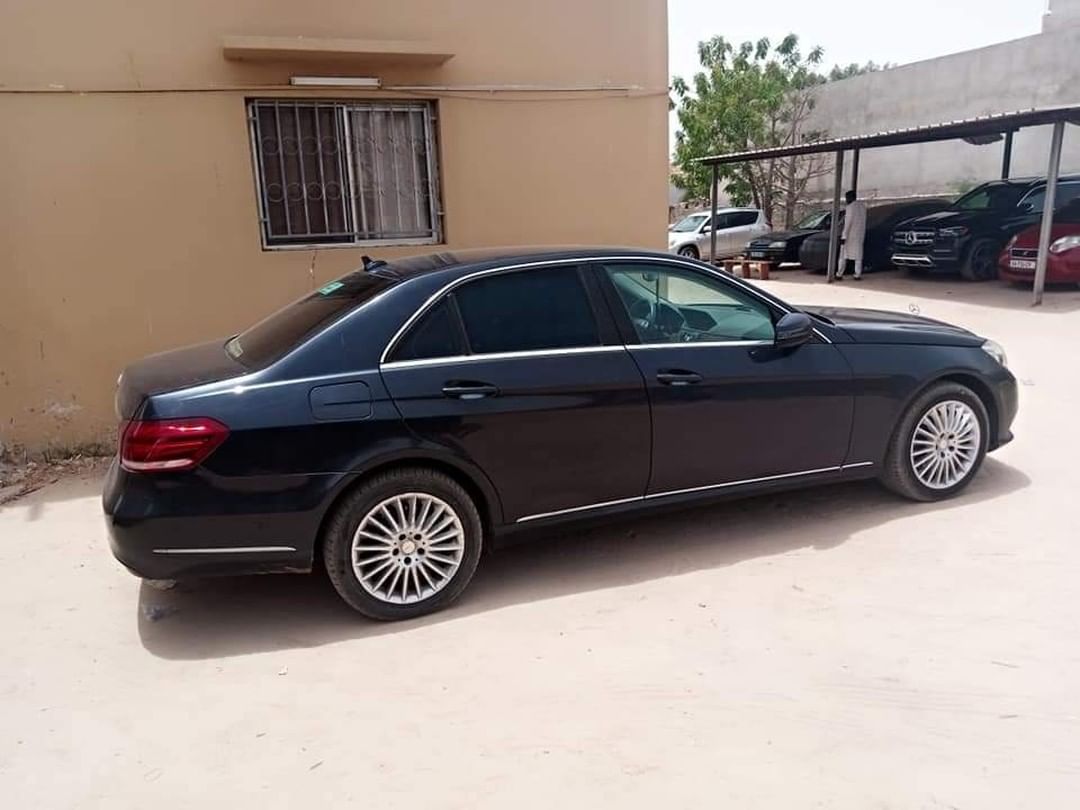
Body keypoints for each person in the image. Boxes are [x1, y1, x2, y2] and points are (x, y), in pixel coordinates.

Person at [836, 189, 867, 281]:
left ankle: (839, 274)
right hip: (860, 235)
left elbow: (848, 223)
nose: (846, 200)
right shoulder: (862, 207)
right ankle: (857, 274)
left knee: (843, 255)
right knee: (858, 256)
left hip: (850, 236)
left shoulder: (850, 207)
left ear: (850, 197)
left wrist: (844, 236)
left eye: (846, 198)